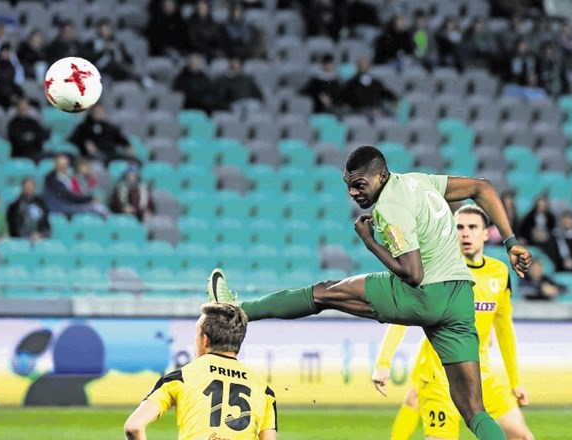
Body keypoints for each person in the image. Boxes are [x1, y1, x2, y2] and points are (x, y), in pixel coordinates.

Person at [207, 145, 532, 440]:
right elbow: (483, 187)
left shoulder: (389, 208)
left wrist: (369, 240)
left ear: (381, 176)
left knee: (324, 293)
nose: (352, 192)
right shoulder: (420, 181)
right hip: (460, 298)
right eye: (348, 184)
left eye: (360, 184)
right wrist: (511, 242)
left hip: (424, 293)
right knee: (474, 411)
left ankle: (235, 306)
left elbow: (412, 272)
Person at [373, 205, 534, 440]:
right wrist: (384, 361)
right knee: (418, 403)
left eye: (472, 227)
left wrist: (515, 381)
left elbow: (504, 328)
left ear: (486, 234)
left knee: (522, 437)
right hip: (440, 376)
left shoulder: (499, 273)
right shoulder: (434, 270)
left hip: (482, 375)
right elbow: (401, 316)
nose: (465, 233)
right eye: (459, 227)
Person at [124, 303, 277, 440]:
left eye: (197, 334)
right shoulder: (265, 391)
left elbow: (134, 426)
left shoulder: (180, 378)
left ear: (206, 340)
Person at [68, 104, 140, 166]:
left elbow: (119, 138)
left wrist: (127, 145)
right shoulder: (84, 127)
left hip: (111, 153)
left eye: (101, 112)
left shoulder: (108, 126)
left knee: (134, 161)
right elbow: (74, 140)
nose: (99, 114)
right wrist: (84, 144)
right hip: (94, 155)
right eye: (97, 112)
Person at [43, 154, 109, 219]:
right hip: (61, 207)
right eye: (60, 164)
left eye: (64, 165)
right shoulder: (51, 179)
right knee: (95, 208)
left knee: (97, 205)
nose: (63, 167)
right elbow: (68, 196)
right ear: (55, 165)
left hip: (70, 203)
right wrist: (89, 199)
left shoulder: (67, 176)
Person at [7, 98, 51, 163]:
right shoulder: (13, 123)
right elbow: (16, 139)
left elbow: (42, 135)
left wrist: (31, 137)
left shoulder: (33, 122)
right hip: (20, 153)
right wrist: (31, 138)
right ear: (17, 109)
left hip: (35, 151)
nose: (24, 109)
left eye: (25, 106)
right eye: (22, 107)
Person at [0, 43, 24, 109]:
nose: (6, 54)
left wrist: (15, 95)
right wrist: (9, 96)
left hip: (10, 92)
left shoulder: (13, 66)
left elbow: (15, 83)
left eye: (8, 52)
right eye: (4, 51)